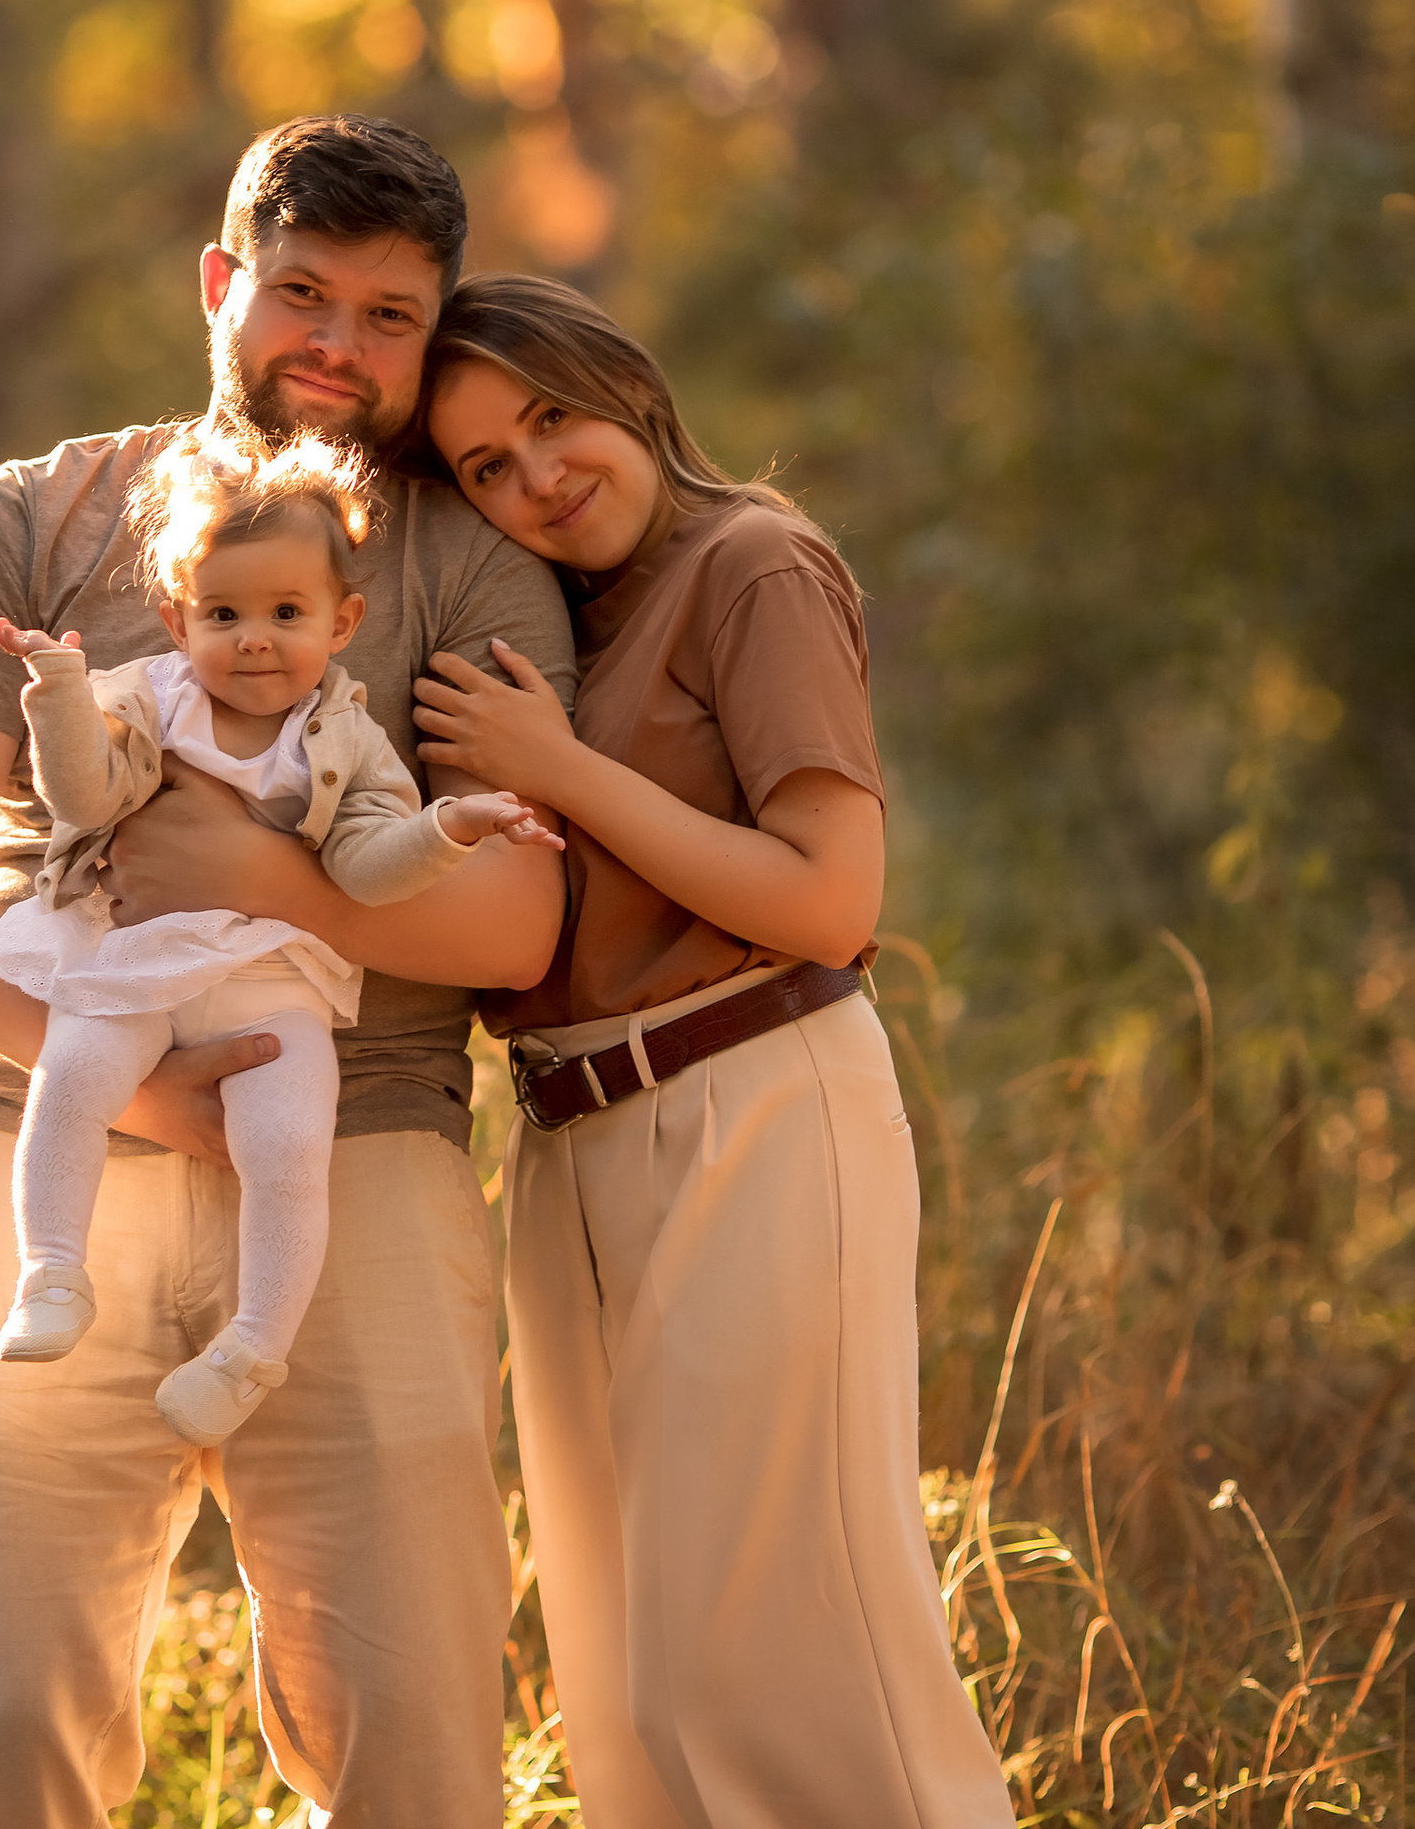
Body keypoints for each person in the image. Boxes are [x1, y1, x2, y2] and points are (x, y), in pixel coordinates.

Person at [0, 116, 576, 1829]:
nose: (339, 344)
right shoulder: (30, 521)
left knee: (408, 1722)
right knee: (6, 1720)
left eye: (392, 315)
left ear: (434, 333)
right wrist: (154, 1093)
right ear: (218, 284)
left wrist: (258, 875)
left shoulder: (472, 567)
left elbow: (510, 932)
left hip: (363, 1149)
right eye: (302, 293)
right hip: (49, 1137)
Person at [409, 271, 1016, 1829]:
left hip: (752, 1102)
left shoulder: (754, 563)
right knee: (636, 1691)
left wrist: (558, 769)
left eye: (550, 420)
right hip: (567, 1145)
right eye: (485, 465)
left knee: (792, 1666)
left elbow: (832, 897)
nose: (536, 476)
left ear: (625, 385)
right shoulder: (552, 621)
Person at [0, 430, 559, 1443]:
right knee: (71, 1076)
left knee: (288, 1142)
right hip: (139, 953)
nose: (254, 638)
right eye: (223, 614)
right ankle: (52, 1270)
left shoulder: (346, 738)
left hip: (274, 976)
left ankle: (252, 1346)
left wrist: (449, 827)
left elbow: (369, 870)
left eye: (286, 614)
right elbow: (81, 789)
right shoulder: (144, 698)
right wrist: (59, 691)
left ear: (342, 623)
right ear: (175, 618)